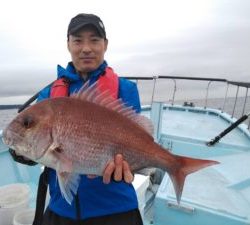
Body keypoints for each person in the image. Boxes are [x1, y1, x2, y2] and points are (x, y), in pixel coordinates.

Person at [36, 13, 143, 225]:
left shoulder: (126, 89)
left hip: (116, 208)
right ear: (68, 44)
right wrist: (19, 152)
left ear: (106, 44)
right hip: (61, 209)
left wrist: (126, 168)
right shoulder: (48, 95)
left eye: (94, 40)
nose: (86, 48)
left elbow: (137, 141)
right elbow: (34, 141)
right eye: (77, 40)